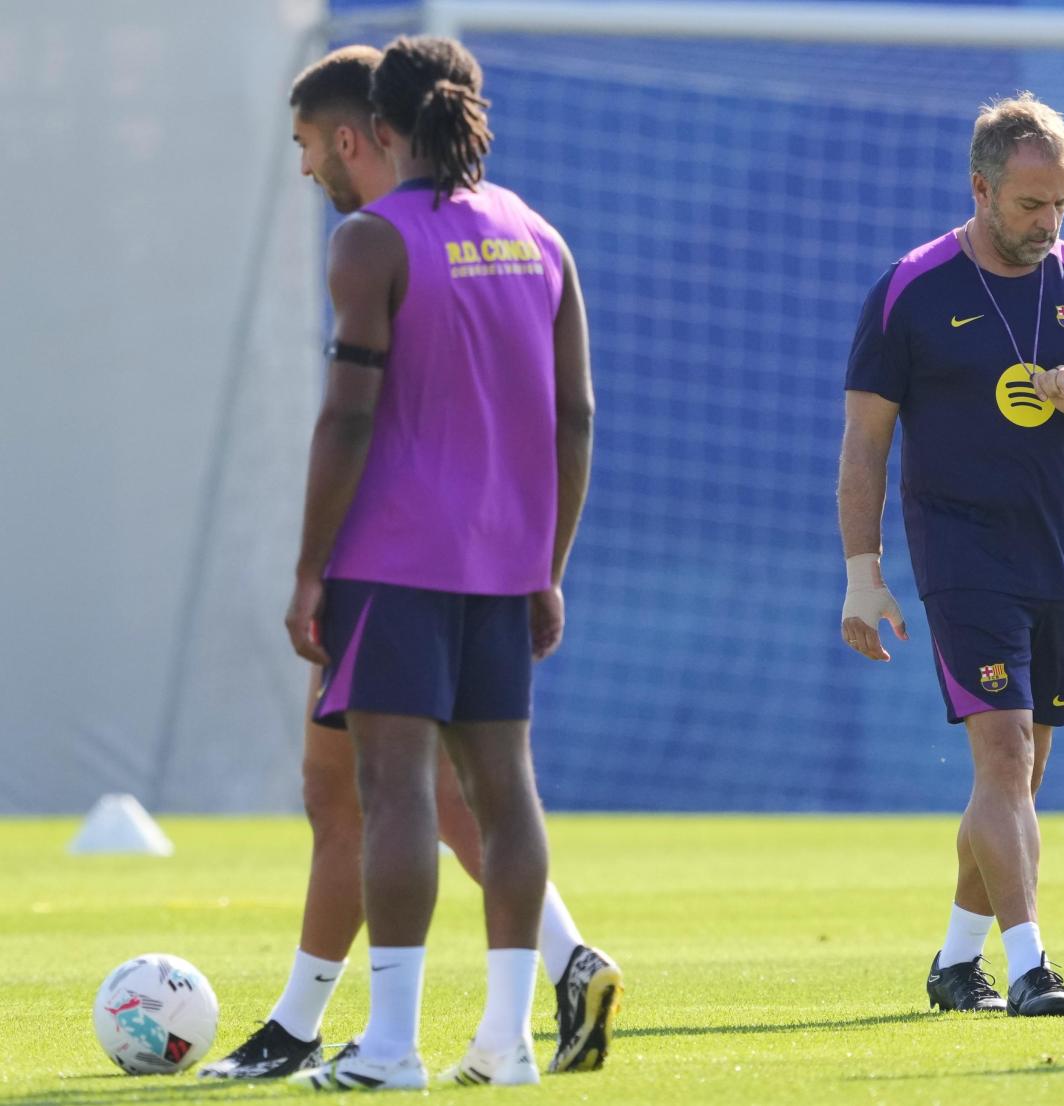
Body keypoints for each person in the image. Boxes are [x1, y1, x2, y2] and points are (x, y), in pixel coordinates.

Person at [200, 47, 620, 1084]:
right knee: (506, 795)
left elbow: (348, 417)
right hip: (504, 562)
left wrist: (309, 570)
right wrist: (548, 564)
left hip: (394, 559)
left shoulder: (371, 239)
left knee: (392, 794)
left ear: (380, 129)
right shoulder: (539, 235)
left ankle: (391, 1044)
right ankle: (508, 1040)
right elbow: (575, 416)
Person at [838, 93, 1064, 1018]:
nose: (1049, 223)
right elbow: (865, 445)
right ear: (981, 188)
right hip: (960, 555)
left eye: (1062, 204)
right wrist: (862, 576)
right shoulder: (911, 289)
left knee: (1019, 779)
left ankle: (956, 962)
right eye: (1031, 204)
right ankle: (1032, 964)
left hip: (1060, 557)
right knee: (1002, 759)